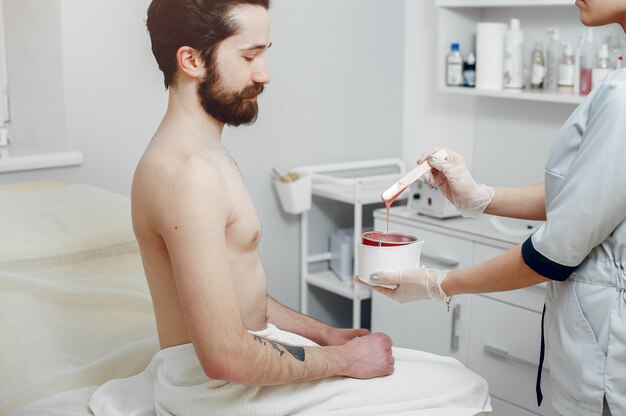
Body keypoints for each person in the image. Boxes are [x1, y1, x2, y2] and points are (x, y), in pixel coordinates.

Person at [88, 1, 492, 415]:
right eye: (249, 56)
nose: (264, 74)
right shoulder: (187, 175)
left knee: (436, 369)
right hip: (216, 393)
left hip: (234, 367)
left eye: (264, 54)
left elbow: (237, 294)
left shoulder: (203, 153)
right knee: (465, 387)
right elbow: (224, 356)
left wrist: (325, 335)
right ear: (191, 59)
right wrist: (347, 361)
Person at [360, 1, 626, 415]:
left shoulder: (623, 96)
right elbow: (588, 196)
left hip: (608, 367)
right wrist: (481, 196)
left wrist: (439, 284)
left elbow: (552, 253)